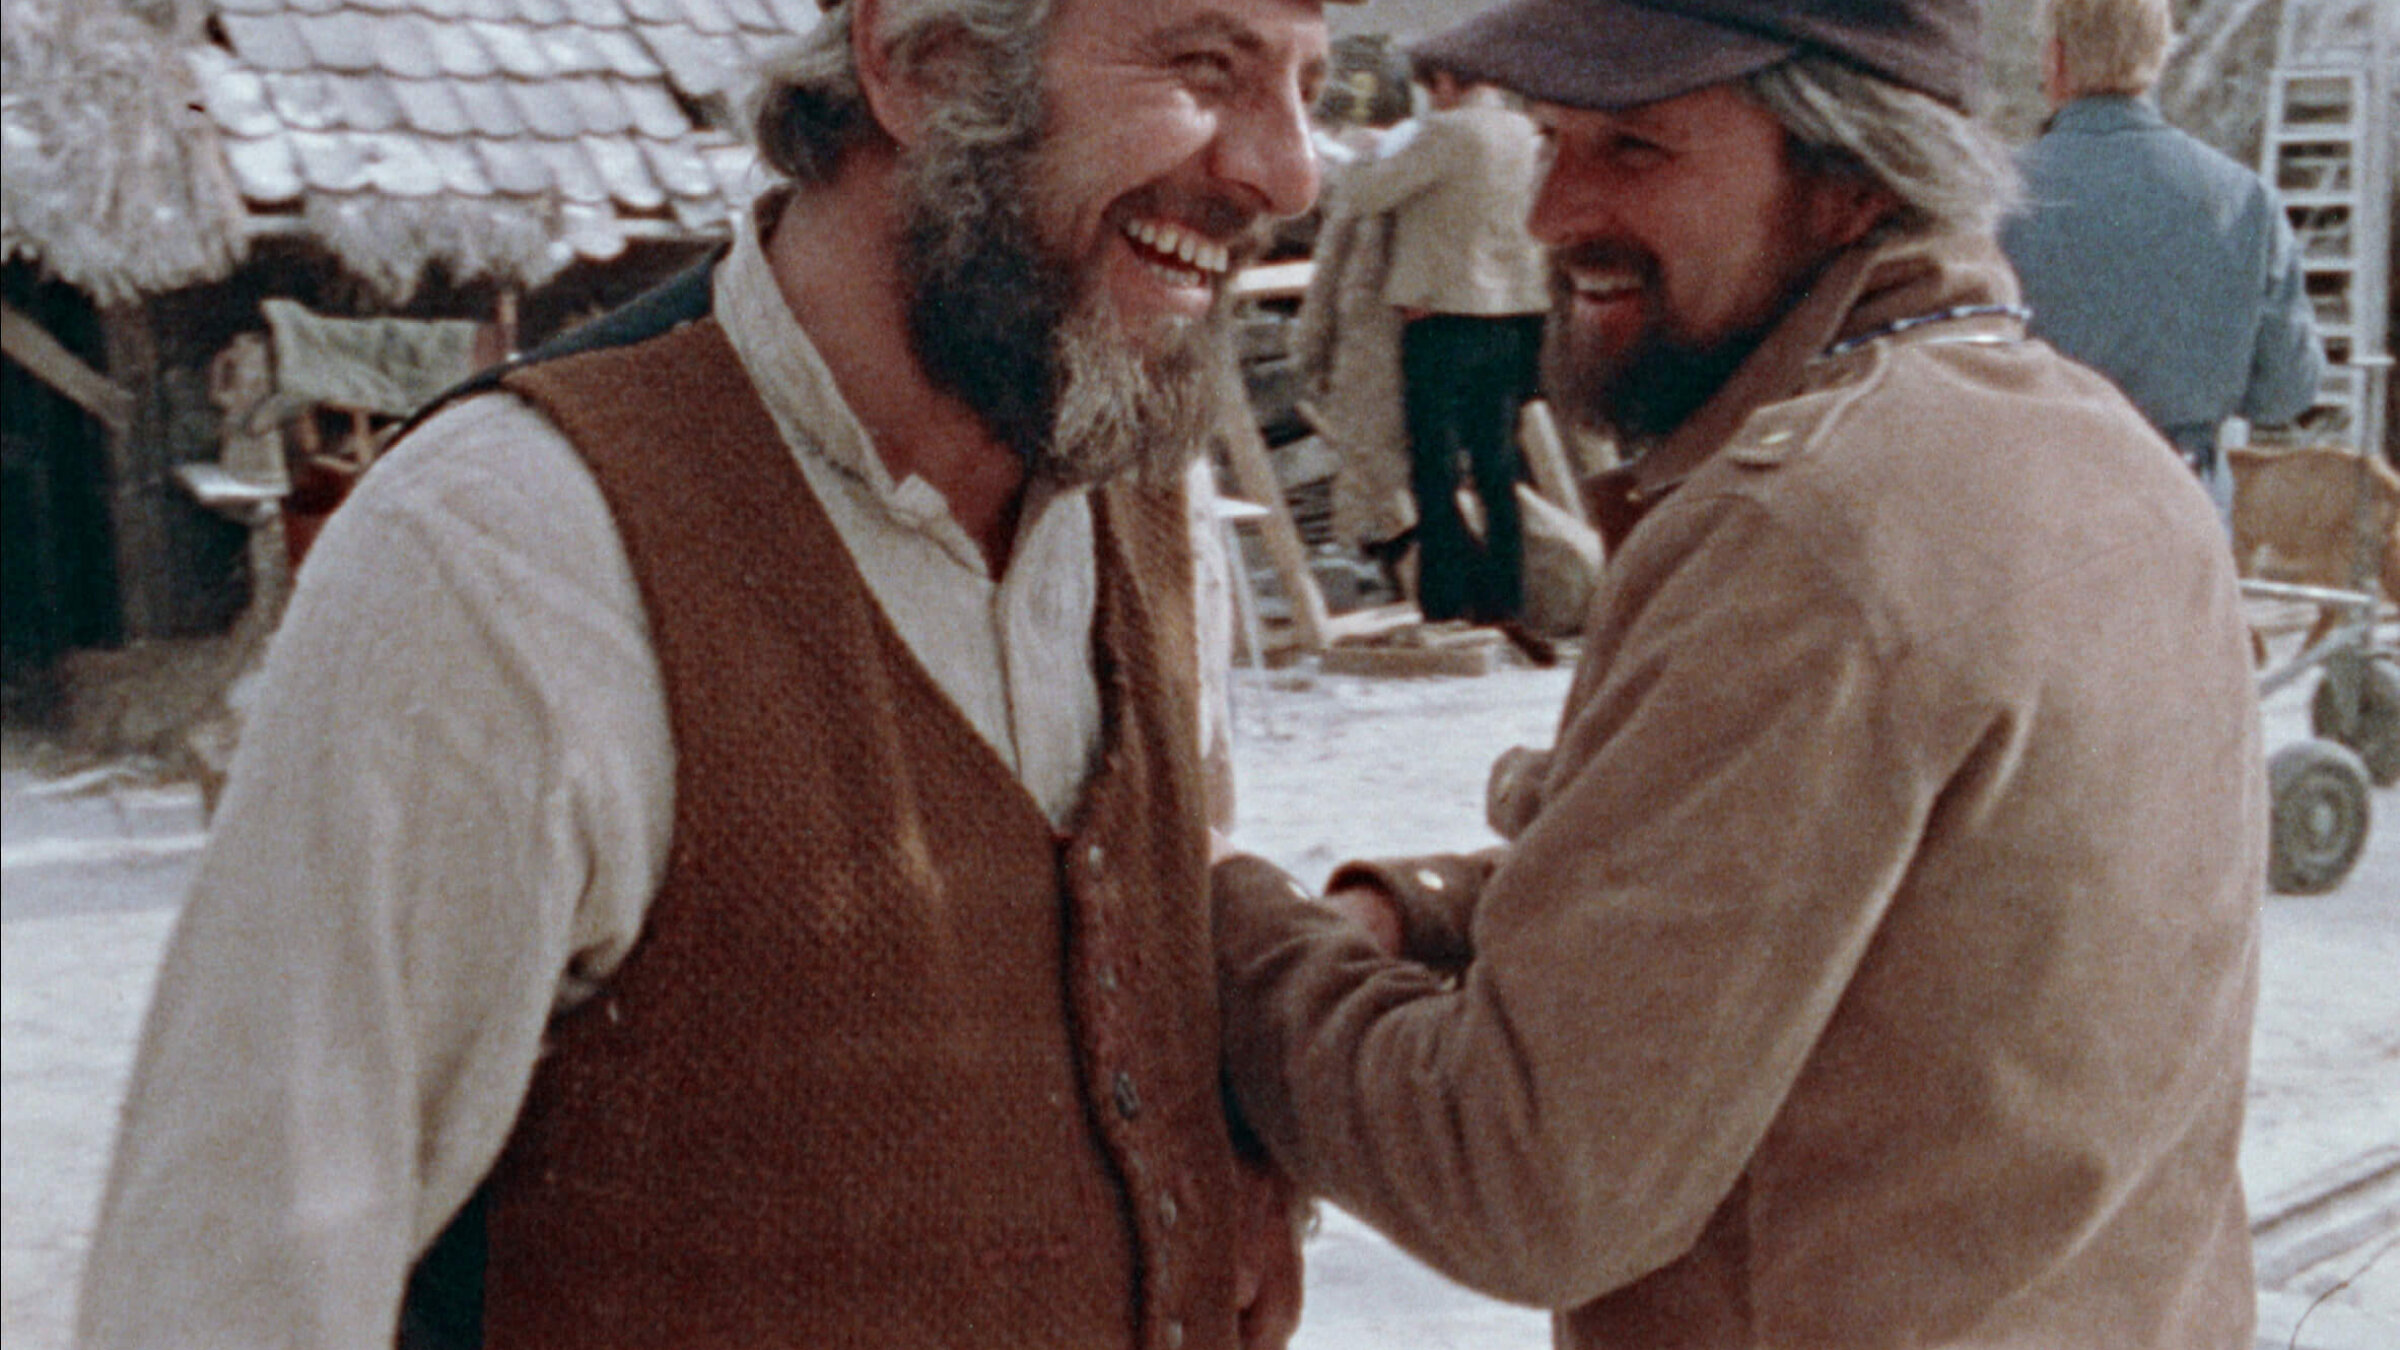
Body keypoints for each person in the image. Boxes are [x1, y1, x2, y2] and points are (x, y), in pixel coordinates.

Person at [75, 0, 1349, 1346]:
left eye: (1308, 84)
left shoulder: (1144, 489)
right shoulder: (504, 549)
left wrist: (1230, 1138)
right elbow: (230, 1281)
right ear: (924, 64)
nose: (1292, 171)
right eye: (1207, 67)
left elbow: (1143, 896)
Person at [1211, 2, 2265, 1347]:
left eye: (1636, 149)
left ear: (1852, 179)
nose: (1553, 210)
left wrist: (1226, 927)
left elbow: (1527, 1173)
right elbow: (1849, 889)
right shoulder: (2094, 450)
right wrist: (1411, 916)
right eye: (1551, 140)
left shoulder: (1814, 527)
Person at [2000, 0, 2323, 516]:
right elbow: (2287, 391)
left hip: (2037, 510)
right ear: (2159, 59)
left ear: (2055, 60)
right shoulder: (2244, 201)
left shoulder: (1993, 198)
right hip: (2184, 514)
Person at [1335, 56, 1551, 626]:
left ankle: (1446, 598)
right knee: (1500, 462)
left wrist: (1365, 153)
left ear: (1448, 82)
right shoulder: (1527, 132)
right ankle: (1508, 596)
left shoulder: (1447, 132)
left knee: (1434, 466)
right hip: (1516, 312)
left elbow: (1365, 196)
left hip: (1445, 316)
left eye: (1432, 89)